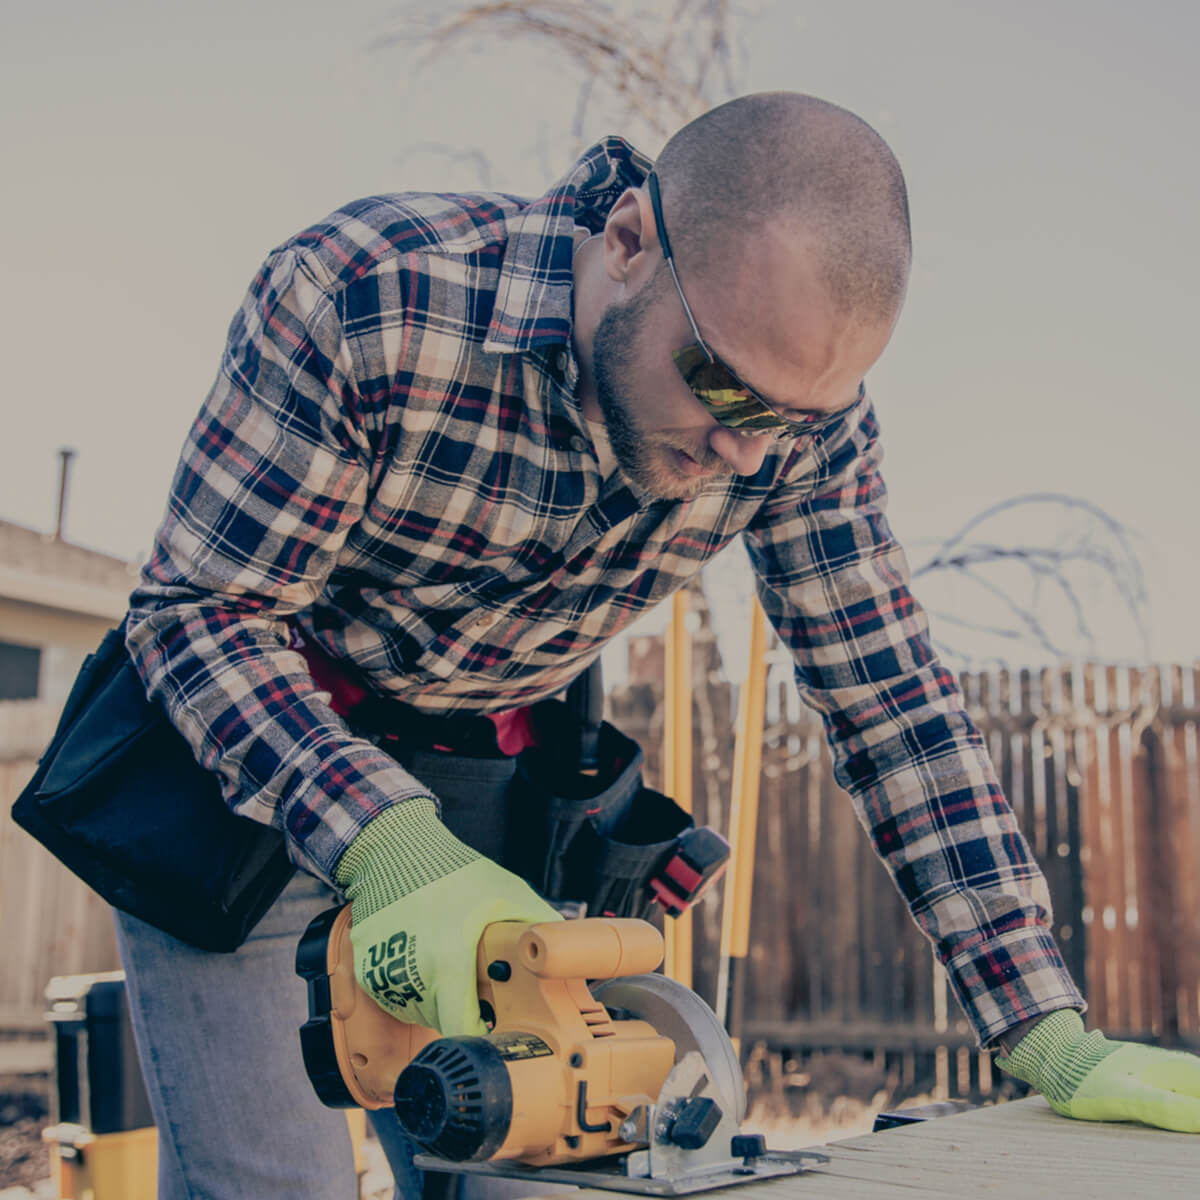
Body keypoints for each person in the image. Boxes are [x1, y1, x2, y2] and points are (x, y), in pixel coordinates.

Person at [117, 92, 1200, 1199]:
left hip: (482, 794)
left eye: (794, 420)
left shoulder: (786, 433)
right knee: (271, 1184)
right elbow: (199, 611)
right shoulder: (371, 296)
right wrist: (388, 842)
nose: (747, 452)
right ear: (629, 240)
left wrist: (1043, 1027)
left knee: (544, 1178)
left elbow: (894, 706)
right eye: (721, 385)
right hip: (240, 770)